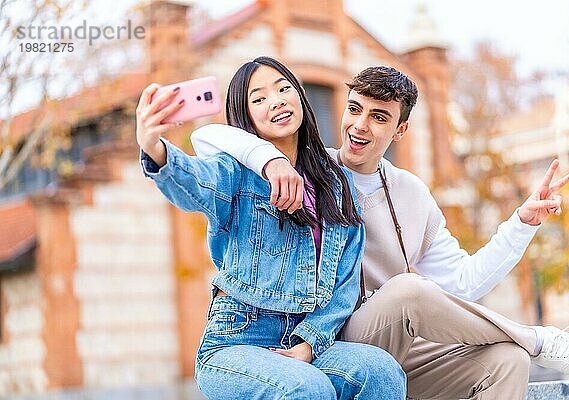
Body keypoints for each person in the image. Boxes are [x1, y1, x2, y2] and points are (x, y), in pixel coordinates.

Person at [192, 65, 569, 399]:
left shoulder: (411, 193)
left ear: (400, 131)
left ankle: (525, 346)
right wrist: (269, 160)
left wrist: (521, 224)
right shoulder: (311, 173)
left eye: (379, 117)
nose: (359, 126)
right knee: (408, 289)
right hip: (331, 336)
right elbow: (209, 136)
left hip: (398, 347)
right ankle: (541, 340)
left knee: (508, 360)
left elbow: (462, 283)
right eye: (354, 109)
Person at [135, 57, 406, 400]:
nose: (275, 101)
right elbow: (195, 181)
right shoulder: (234, 170)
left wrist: (310, 342)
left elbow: (345, 281)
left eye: (282, 89)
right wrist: (154, 148)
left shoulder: (336, 184)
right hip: (237, 339)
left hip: (307, 337)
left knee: (382, 372)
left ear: (300, 97)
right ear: (245, 116)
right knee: (308, 388)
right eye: (258, 98)